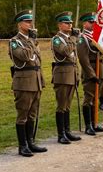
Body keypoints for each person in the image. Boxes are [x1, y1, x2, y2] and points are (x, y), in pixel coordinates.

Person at [8, 9, 47, 156]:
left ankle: (30, 142)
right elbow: (25, 56)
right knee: (23, 114)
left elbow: (38, 61)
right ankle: (22, 145)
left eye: (31, 21)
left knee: (32, 114)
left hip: (35, 80)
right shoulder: (14, 42)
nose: (31, 24)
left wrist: (41, 80)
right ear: (20, 24)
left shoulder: (32, 40)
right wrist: (31, 41)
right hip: (23, 82)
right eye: (27, 21)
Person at [51, 11, 81, 144]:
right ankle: (61, 134)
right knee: (62, 105)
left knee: (68, 105)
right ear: (59, 25)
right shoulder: (57, 39)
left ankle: (67, 131)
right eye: (66, 23)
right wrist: (74, 39)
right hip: (62, 75)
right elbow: (65, 51)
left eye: (70, 23)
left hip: (71, 73)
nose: (70, 25)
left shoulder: (69, 39)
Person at [76, 12, 103, 135]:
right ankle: (88, 125)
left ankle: (95, 123)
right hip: (91, 70)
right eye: (90, 22)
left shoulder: (96, 36)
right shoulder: (82, 38)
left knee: (96, 98)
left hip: (100, 68)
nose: (93, 24)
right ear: (84, 24)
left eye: (94, 22)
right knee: (88, 98)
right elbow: (83, 59)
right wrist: (92, 74)